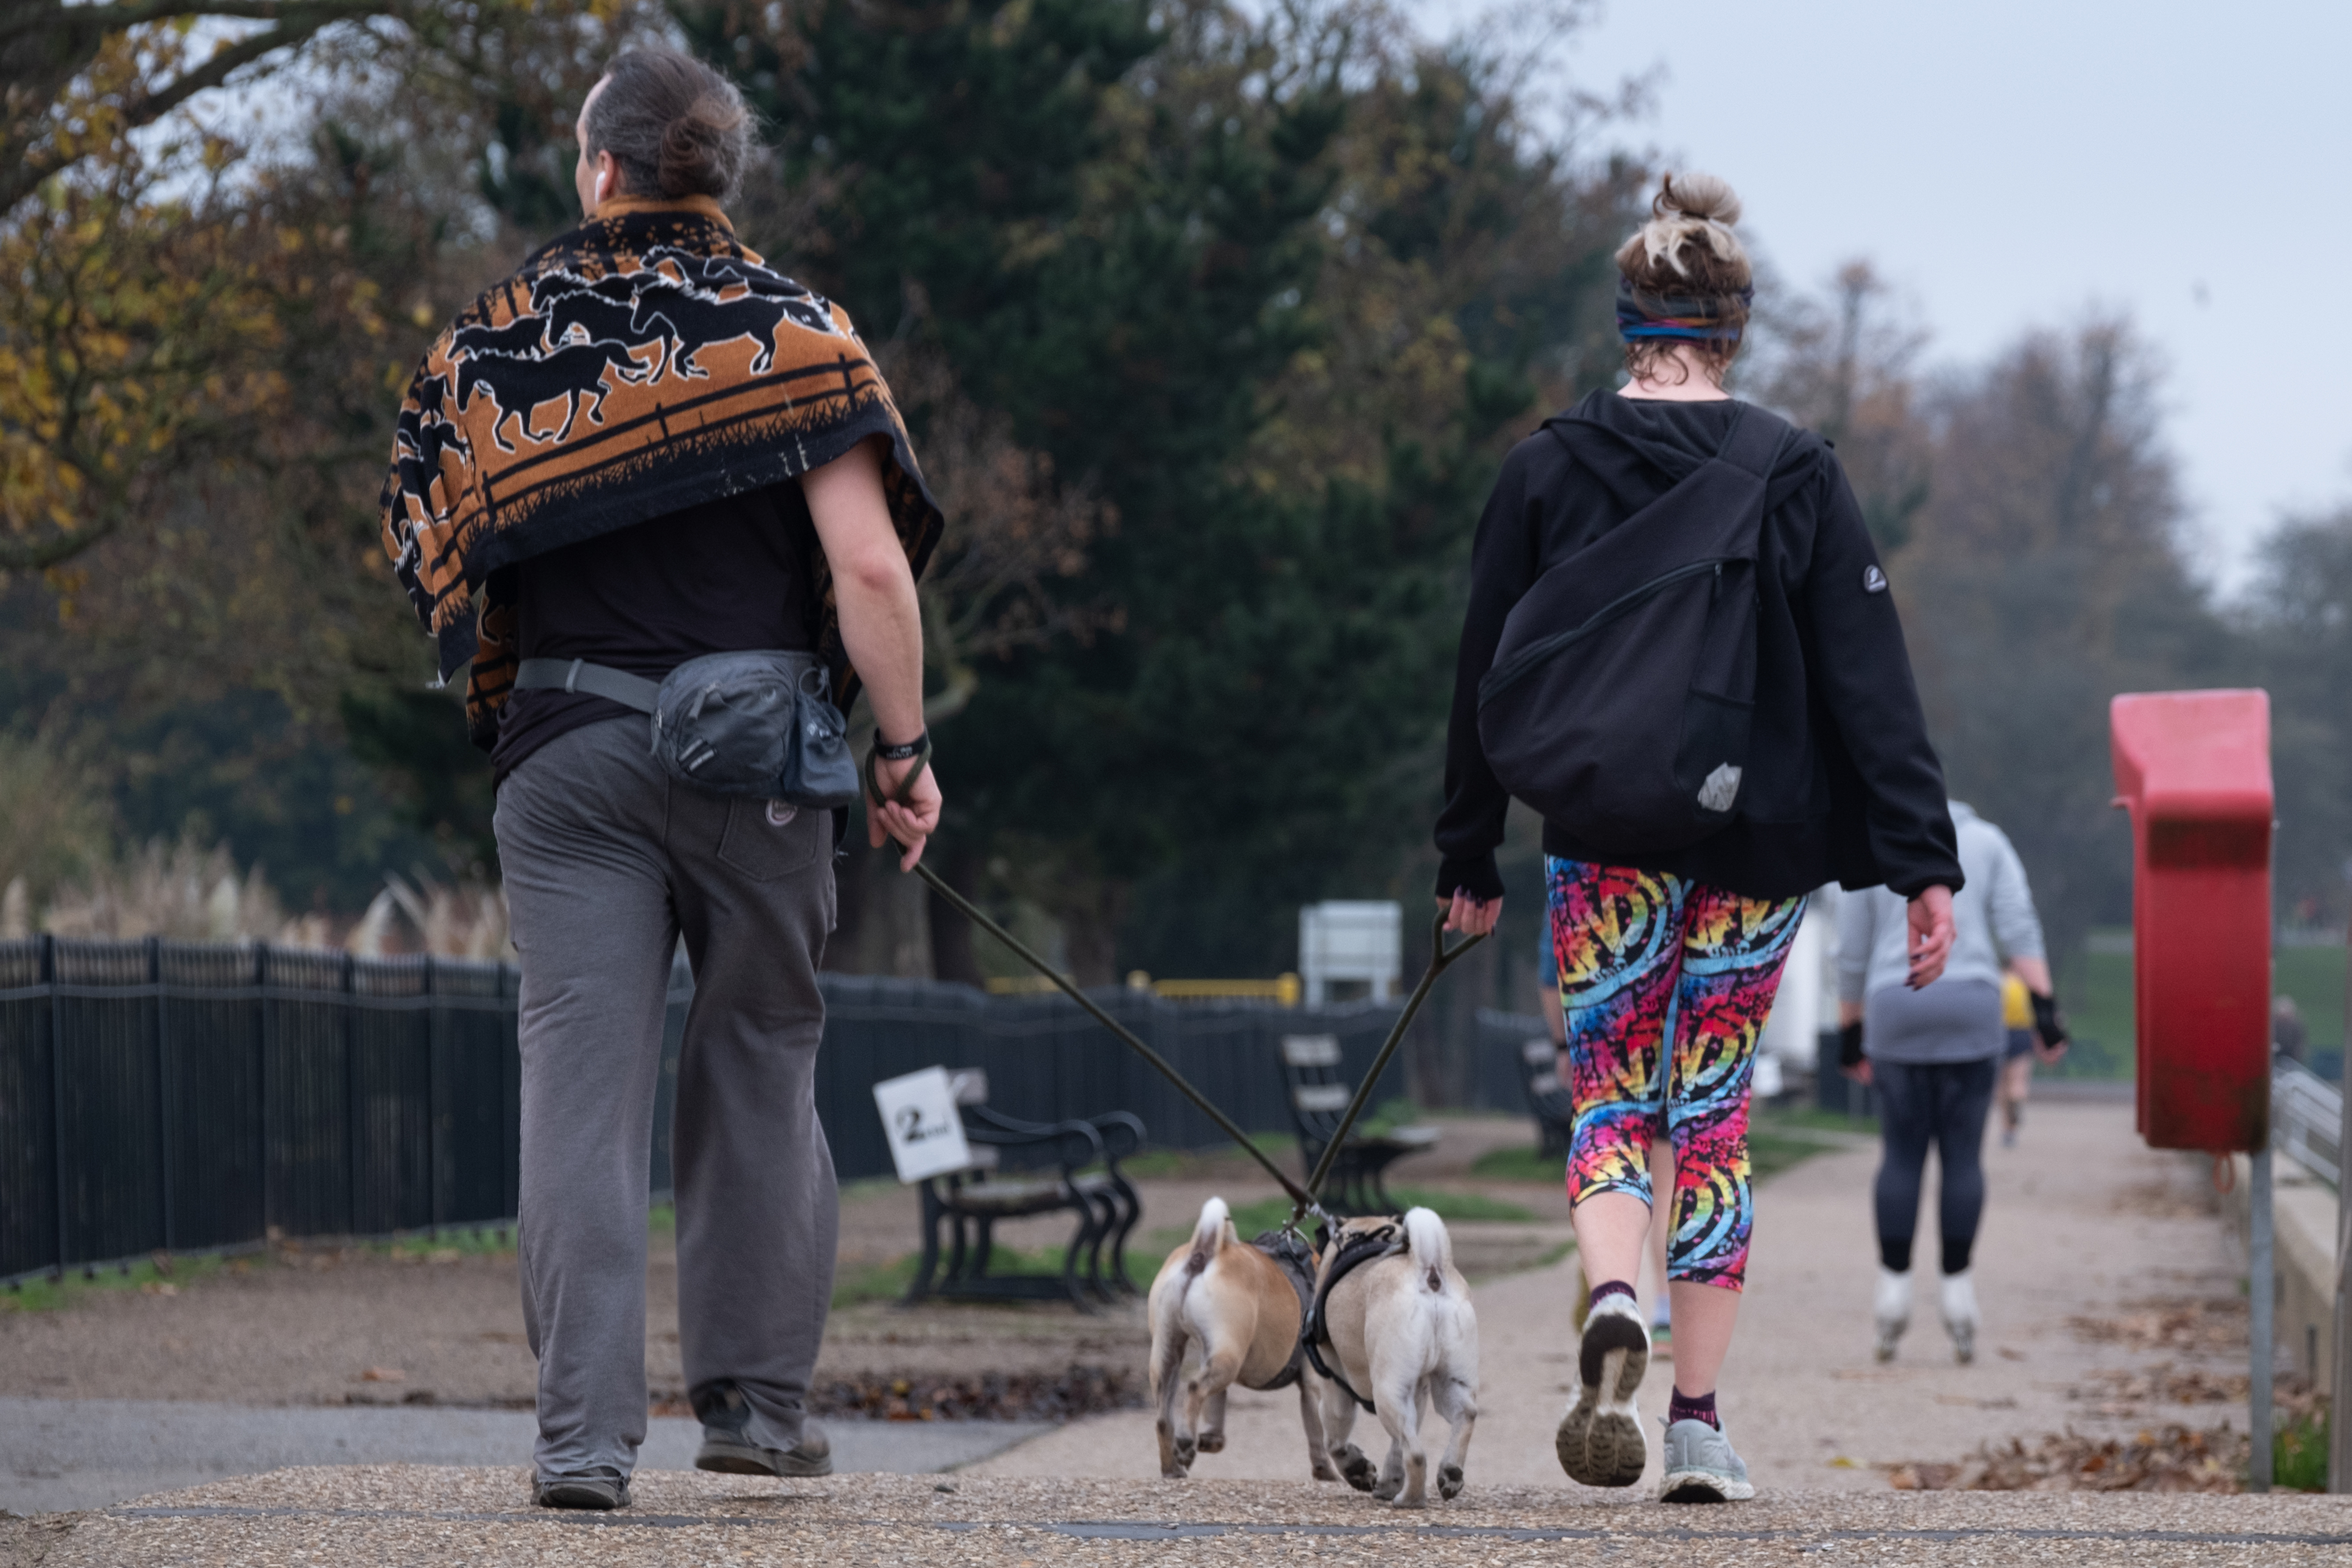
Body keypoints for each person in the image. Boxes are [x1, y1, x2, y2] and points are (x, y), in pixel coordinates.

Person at [378, 49, 944, 1510]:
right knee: (760, 1061)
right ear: (720, 181)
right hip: (757, 764)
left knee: (578, 1091)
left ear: (600, 169)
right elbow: (869, 565)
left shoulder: (498, 344)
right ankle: (756, 1407)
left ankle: (581, 1440)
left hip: (567, 761)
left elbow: (438, 537)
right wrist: (901, 751)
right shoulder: (795, 333)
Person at [1434, 172, 1961, 1502]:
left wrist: (1465, 852)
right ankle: (1697, 1422)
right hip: (1756, 840)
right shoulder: (1796, 471)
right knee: (1712, 1116)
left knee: (1611, 1096)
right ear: (1735, 326)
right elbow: (1868, 675)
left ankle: (1616, 1291)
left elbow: (1481, 671)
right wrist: (1921, 859)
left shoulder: (1546, 465)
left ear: (1630, 318)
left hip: (1598, 831)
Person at [1837, 801, 2062, 1365]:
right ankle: (1958, 1296)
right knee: (1962, 1157)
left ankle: (1892, 1293)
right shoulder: (1987, 840)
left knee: (1901, 1155)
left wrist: (1848, 1030)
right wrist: (2045, 1014)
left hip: (1896, 1003)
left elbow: (1852, 949)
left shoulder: (1873, 841)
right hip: (1971, 1005)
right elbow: (2019, 927)